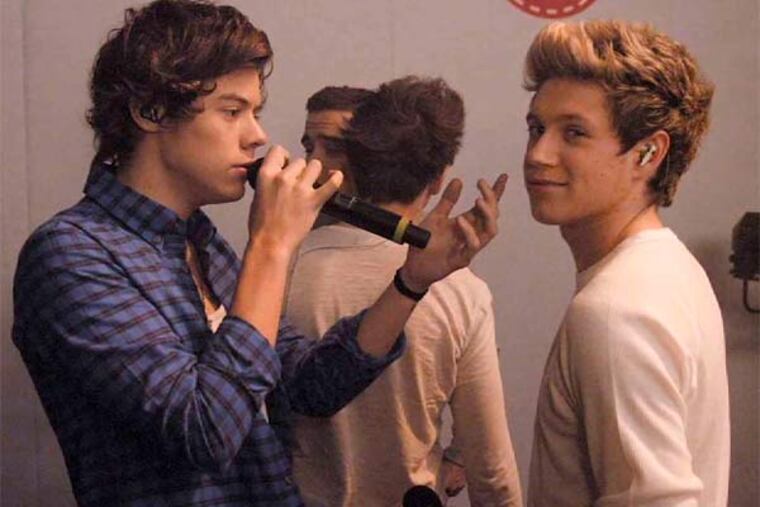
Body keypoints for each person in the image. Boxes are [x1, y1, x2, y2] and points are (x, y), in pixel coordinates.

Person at [11, 1, 507, 506]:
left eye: (256, 112)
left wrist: (410, 283)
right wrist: (272, 245)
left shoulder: (201, 243)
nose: (258, 137)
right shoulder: (72, 256)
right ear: (150, 111)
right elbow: (206, 431)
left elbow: (311, 389)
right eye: (232, 112)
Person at [285, 76, 522, 506]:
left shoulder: (275, 270)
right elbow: (491, 469)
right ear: (439, 178)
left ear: (356, 163)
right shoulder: (461, 291)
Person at [522, 20, 730, 506]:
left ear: (648, 153)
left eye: (574, 133)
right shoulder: (666, 268)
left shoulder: (618, 310)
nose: (538, 154)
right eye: (536, 128)